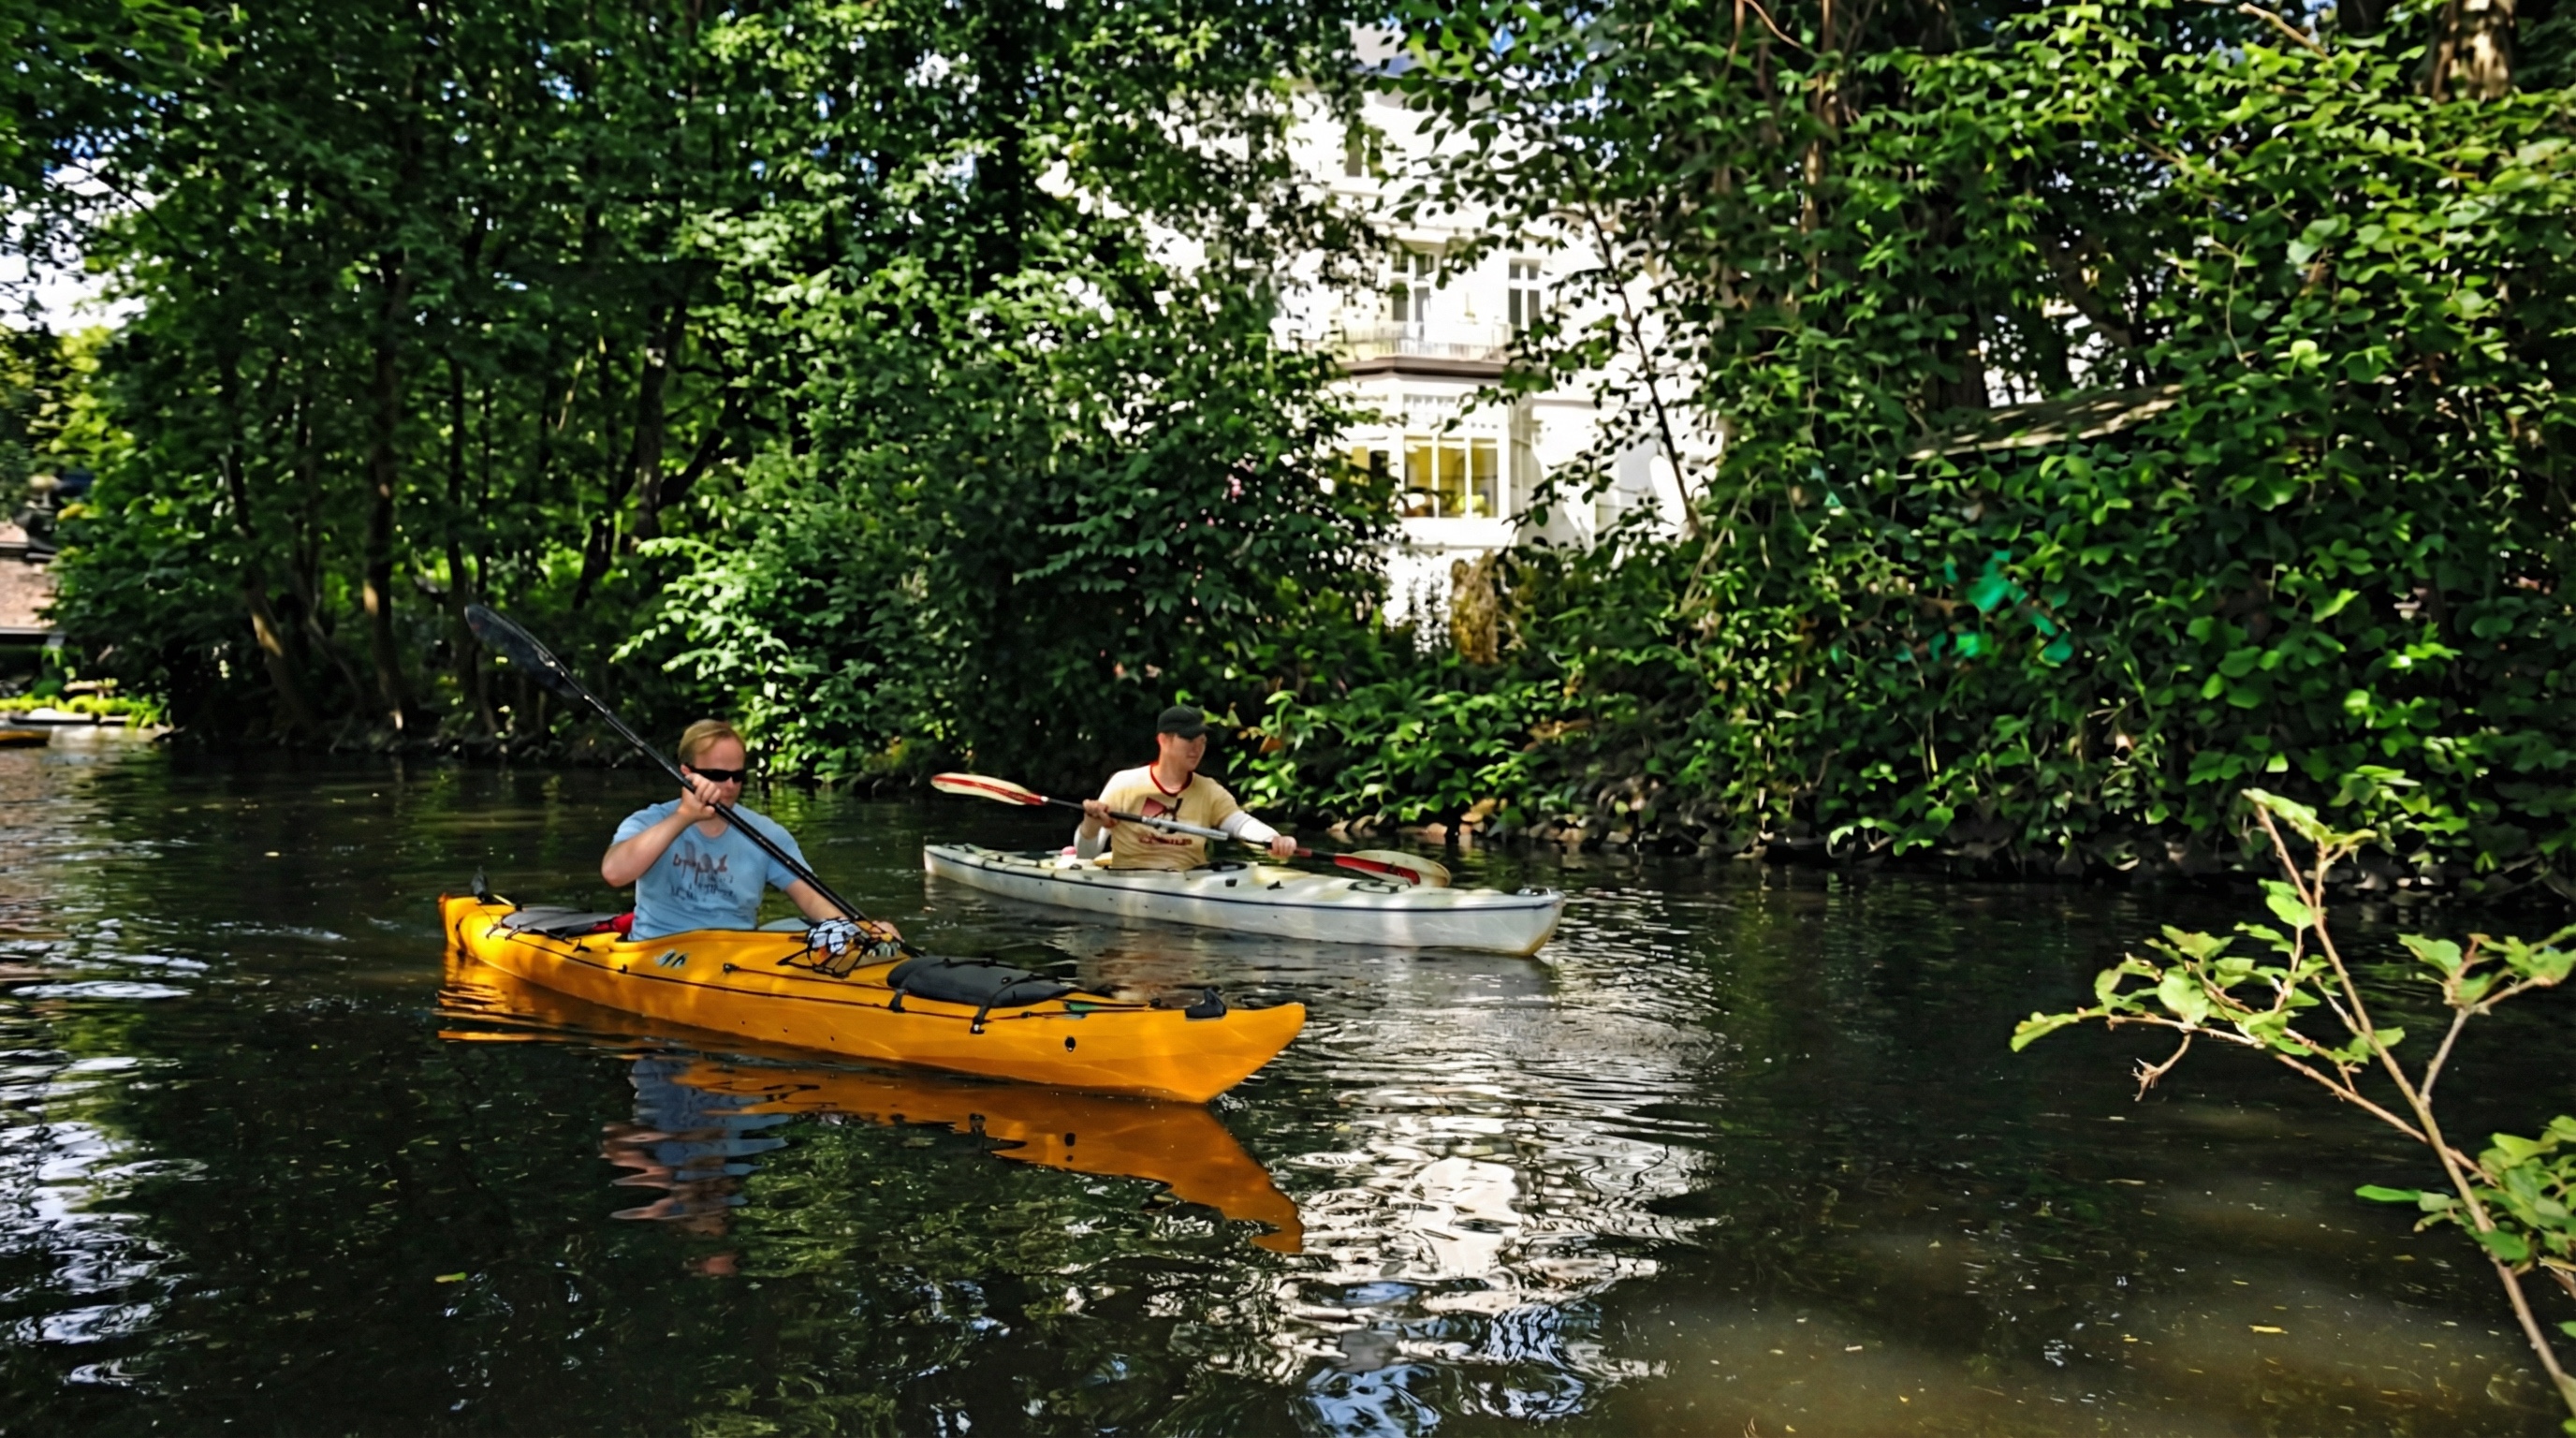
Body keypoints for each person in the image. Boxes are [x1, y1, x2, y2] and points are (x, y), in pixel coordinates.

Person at [602, 719, 883, 942]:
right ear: (686, 773)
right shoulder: (650, 821)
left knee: (815, 933)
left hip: (735, 954)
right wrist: (684, 817)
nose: (729, 786)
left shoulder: (766, 832)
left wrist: (861, 932)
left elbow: (812, 897)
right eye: (717, 776)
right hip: (661, 948)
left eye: (737, 776)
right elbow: (614, 873)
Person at [1076, 705, 1298, 871]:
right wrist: (1090, 826)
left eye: (1202, 741)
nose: (1197, 748)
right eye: (1189, 740)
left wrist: (1274, 839)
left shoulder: (1209, 790)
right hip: (1130, 880)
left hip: (1189, 882)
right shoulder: (1124, 784)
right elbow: (1085, 854)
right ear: (1163, 741)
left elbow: (1240, 824)